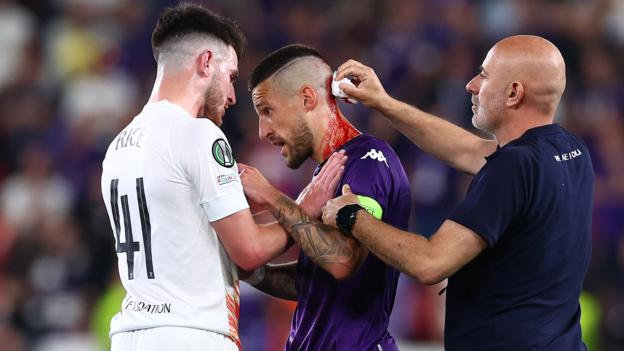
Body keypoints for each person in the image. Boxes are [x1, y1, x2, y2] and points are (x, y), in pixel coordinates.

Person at [322, 35, 594, 350]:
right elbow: (467, 150)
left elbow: (431, 263)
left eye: (485, 75)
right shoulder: (569, 149)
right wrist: (383, 101)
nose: (471, 84)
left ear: (513, 93)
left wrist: (351, 215)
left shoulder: (513, 166)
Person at [100, 5, 344, 351]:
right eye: (230, 77)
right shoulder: (198, 134)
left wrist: (253, 214)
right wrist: (305, 205)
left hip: (130, 335)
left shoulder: (118, 148)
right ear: (205, 62)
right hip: (192, 334)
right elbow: (249, 251)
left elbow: (185, 235)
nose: (231, 96)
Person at [238, 44, 412, 351]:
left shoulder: (369, 161)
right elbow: (316, 282)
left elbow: (344, 259)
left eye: (268, 111)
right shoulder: (327, 173)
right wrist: (252, 271)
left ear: (307, 98)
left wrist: (270, 196)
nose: (263, 131)